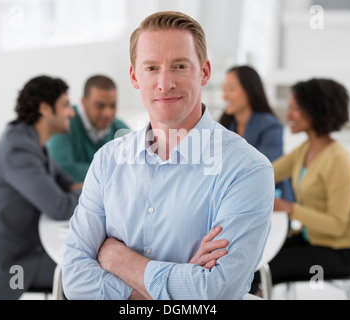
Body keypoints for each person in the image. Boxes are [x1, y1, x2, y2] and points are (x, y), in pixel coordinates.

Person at [62, 11, 274, 300]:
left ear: (205, 72)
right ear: (134, 76)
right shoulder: (107, 161)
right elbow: (74, 279)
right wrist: (179, 288)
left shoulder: (247, 170)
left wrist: (118, 259)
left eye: (179, 66)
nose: (165, 83)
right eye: (151, 68)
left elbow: (214, 293)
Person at [0, 75, 83, 299]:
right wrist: (89, 191)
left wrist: (75, 188)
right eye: (66, 105)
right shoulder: (17, 149)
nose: (72, 113)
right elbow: (59, 207)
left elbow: (63, 181)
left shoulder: (29, 137)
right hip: (10, 266)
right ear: (45, 108)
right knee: (83, 272)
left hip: (25, 244)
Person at [251, 78, 350, 293]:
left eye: (295, 108)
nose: (288, 115)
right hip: (312, 239)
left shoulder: (338, 159)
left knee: (257, 270)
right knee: (251, 258)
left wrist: (290, 208)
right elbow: (266, 173)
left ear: (315, 110)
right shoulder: (306, 150)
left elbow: (337, 225)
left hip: (339, 251)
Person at [219, 65, 294, 202]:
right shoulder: (225, 126)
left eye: (231, 89)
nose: (225, 95)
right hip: (236, 199)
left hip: (270, 200)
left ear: (249, 90)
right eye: (224, 90)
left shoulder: (271, 126)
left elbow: (262, 169)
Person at [47, 75, 129, 183]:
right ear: (84, 101)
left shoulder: (121, 130)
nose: (107, 113)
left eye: (112, 106)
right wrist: (116, 174)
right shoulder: (64, 124)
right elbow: (63, 170)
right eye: (100, 106)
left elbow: (136, 170)